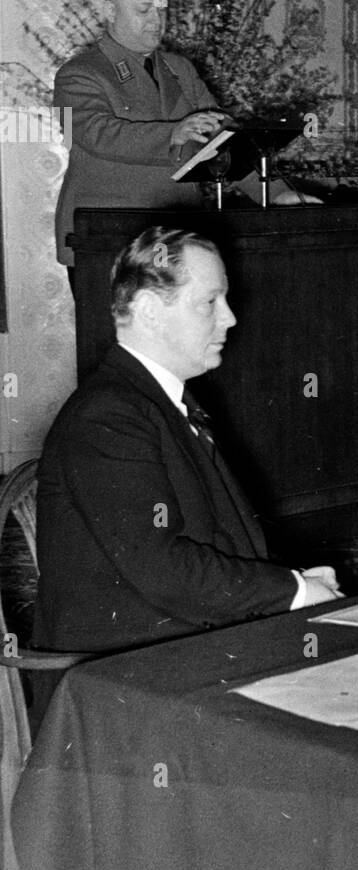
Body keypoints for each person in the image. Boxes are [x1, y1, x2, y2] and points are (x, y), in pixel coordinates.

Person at [34, 226, 340, 656]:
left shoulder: (154, 402)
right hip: (121, 667)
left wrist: (296, 582)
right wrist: (292, 590)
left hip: (180, 637)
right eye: (210, 302)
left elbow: (213, 542)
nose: (230, 317)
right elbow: (161, 568)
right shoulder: (108, 415)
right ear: (150, 311)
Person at [53, 0, 303, 279]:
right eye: (143, 11)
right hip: (109, 240)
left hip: (177, 236)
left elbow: (220, 142)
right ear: (110, 11)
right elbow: (94, 133)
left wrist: (278, 193)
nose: (156, 22)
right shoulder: (80, 73)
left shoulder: (180, 69)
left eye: (161, 12)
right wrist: (175, 134)